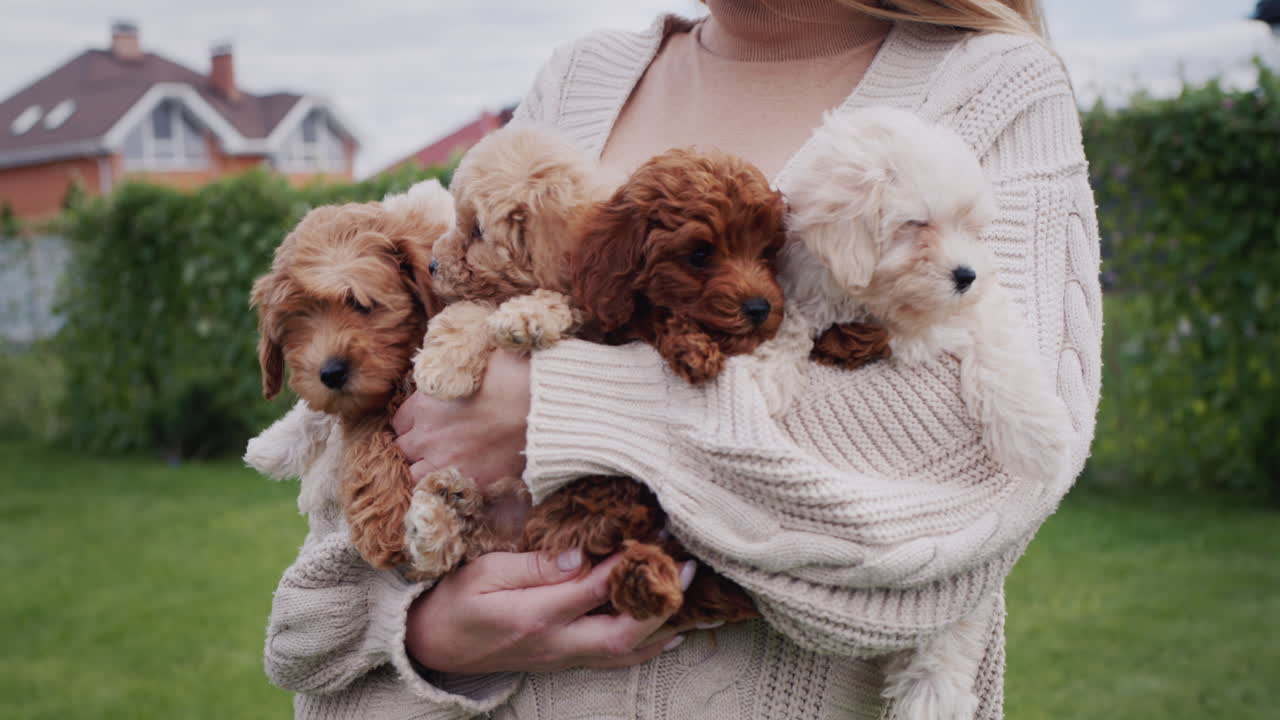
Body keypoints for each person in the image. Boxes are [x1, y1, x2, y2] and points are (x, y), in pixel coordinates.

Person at [263, 1, 1102, 718]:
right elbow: (412, 427)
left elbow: (981, 469)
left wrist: (563, 411)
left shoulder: (990, 83)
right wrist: (426, 631)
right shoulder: (577, 79)